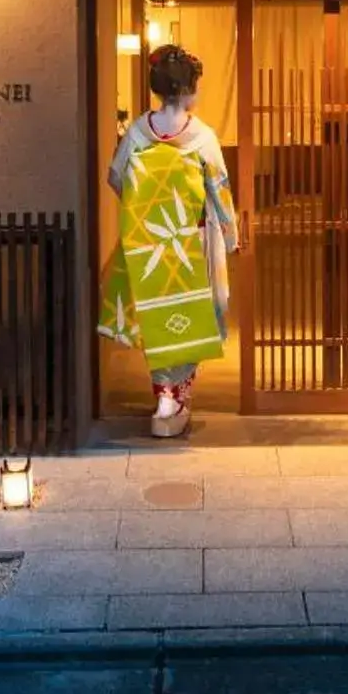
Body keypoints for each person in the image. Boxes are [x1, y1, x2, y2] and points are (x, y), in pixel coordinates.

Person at [105, 44, 240, 437]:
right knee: (192, 315)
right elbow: (219, 190)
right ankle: (173, 397)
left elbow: (116, 179)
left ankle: (164, 394)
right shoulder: (202, 137)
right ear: (186, 89)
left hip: (151, 241)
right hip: (191, 241)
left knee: (157, 314)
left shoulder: (137, 133)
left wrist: (148, 208)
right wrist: (230, 236)